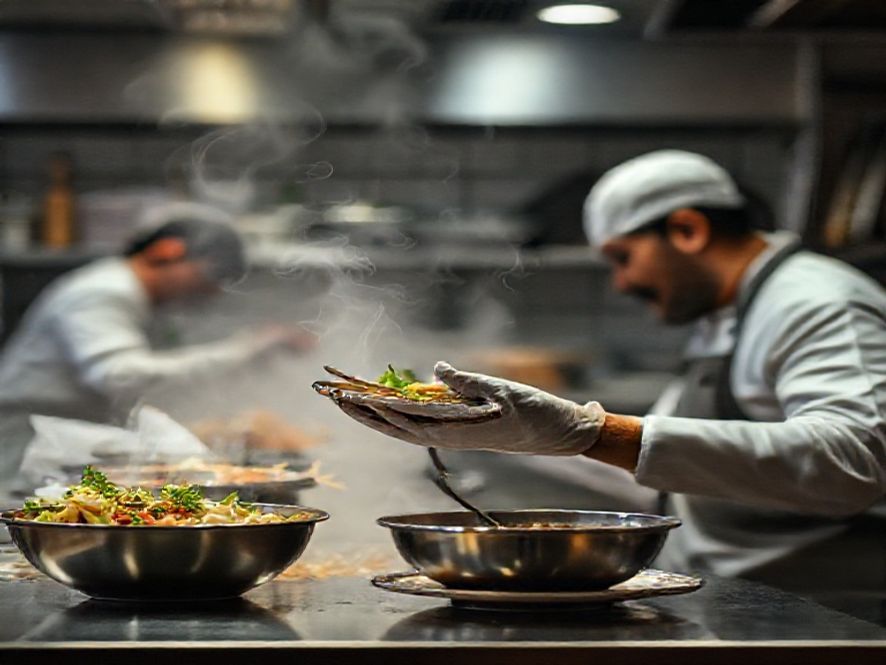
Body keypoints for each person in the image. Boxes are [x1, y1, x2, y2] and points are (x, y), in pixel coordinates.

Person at [334, 150, 886, 618]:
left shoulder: (819, 304)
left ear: (687, 230)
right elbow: (661, 476)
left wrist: (586, 431)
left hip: (829, 615)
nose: (622, 284)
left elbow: (853, 463)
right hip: (747, 602)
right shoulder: (730, 312)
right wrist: (499, 432)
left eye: (623, 258)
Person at [0, 201, 312, 484]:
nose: (212, 291)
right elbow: (119, 375)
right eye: (211, 274)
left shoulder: (135, 298)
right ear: (167, 251)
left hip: (58, 446)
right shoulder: (103, 292)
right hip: (26, 451)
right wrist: (245, 349)